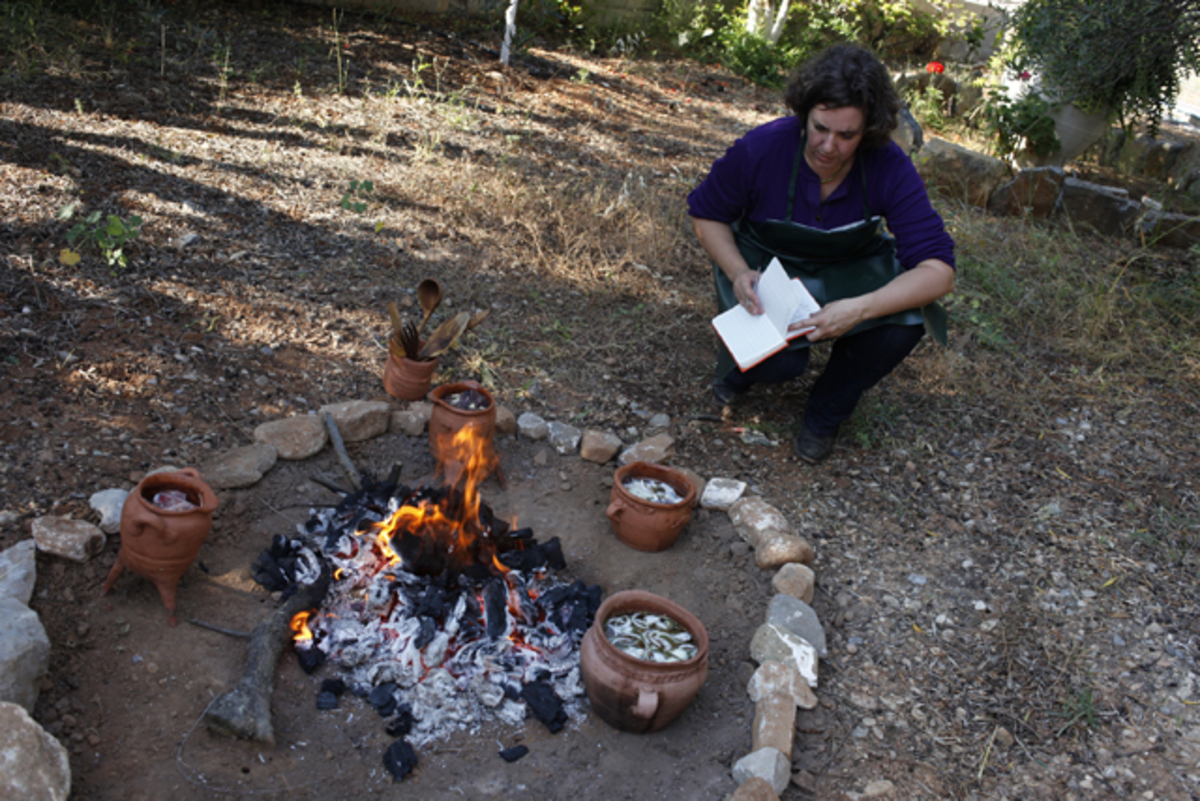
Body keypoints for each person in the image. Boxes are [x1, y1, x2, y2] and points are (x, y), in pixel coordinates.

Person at [687, 44, 955, 464]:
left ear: (869, 130)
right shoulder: (762, 148)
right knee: (776, 367)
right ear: (804, 113)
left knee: (906, 320)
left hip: (851, 271)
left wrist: (861, 309)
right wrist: (738, 272)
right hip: (765, 267)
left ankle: (826, 411)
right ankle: (741, 367)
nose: (828, 146)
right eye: (819, 128)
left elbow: (938, 271)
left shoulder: (888, 165)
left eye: (847, 135)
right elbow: (707, 214)